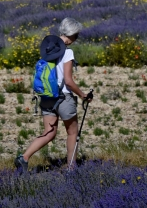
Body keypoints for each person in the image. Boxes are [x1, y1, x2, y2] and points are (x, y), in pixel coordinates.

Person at [14, 17, 90, 173]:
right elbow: (68, 81)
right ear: (71, 34)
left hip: (47, 97)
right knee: (72, 132)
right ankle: (71, 169)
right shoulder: (68, 52)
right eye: (76, 35)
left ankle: (24, 158)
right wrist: (83, 95)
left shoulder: (48, 48)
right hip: (63, 98)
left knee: (49, 133)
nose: (76, 39)